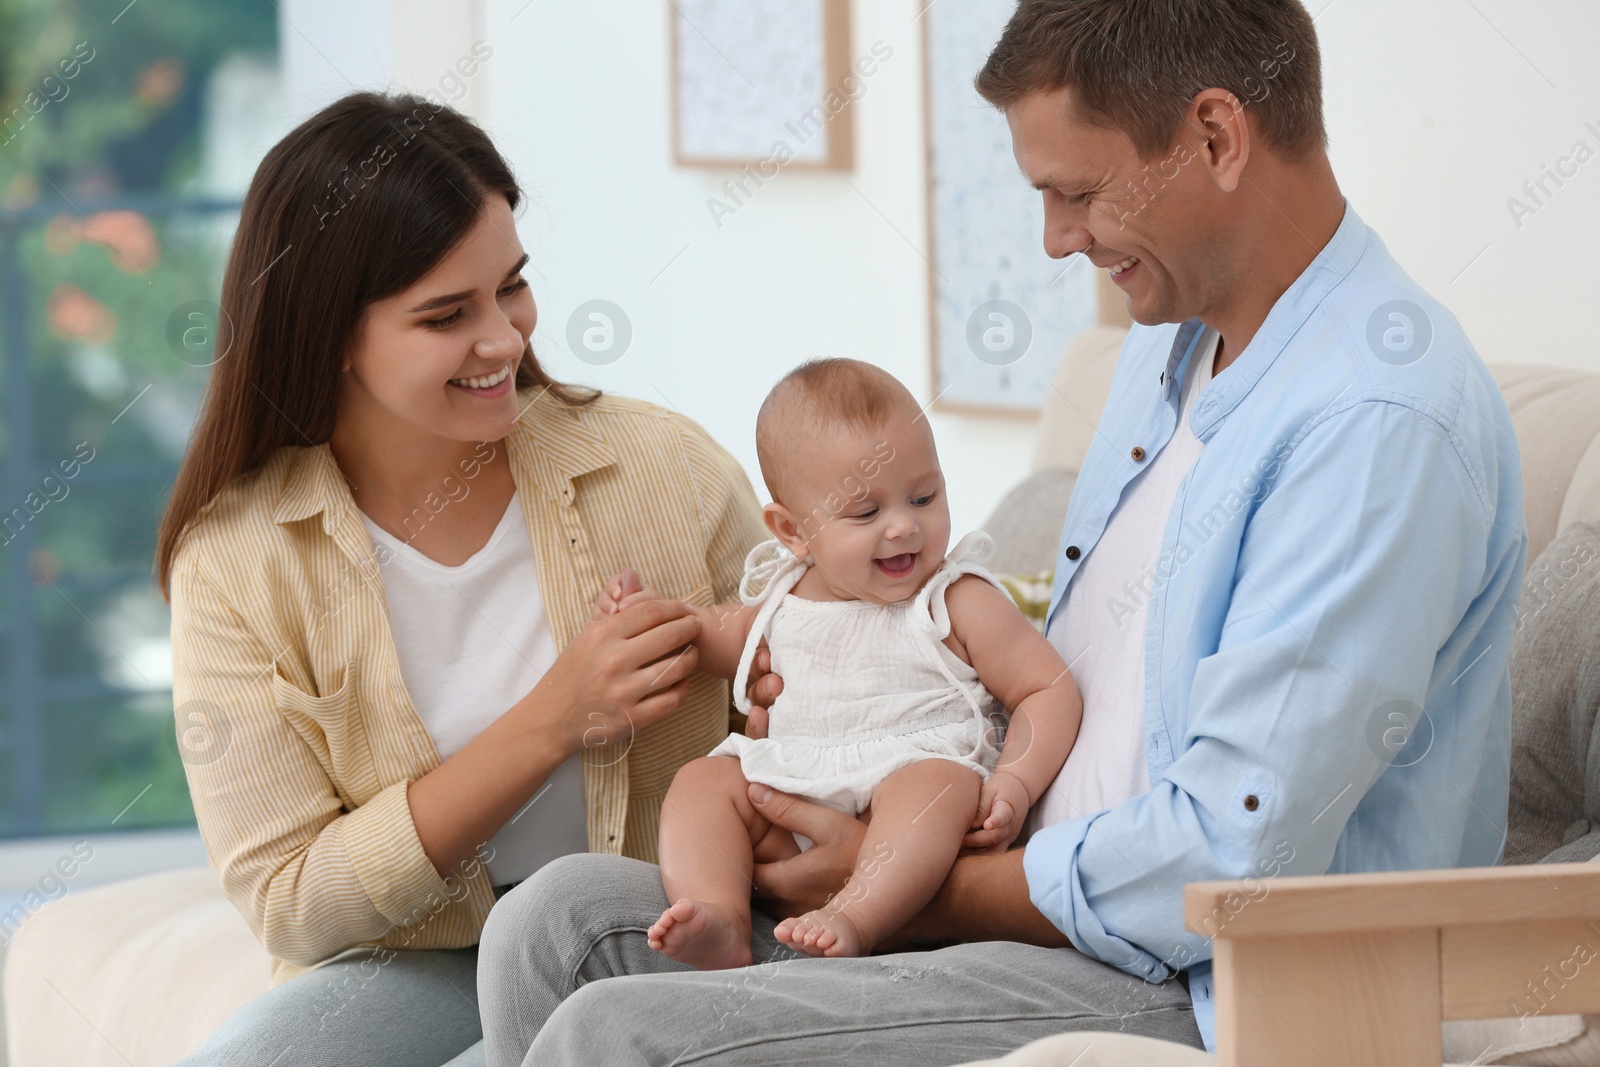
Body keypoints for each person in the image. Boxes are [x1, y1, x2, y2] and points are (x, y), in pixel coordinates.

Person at [474, 1, 1527, 1063]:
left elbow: (1234, 855)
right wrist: (859, 673)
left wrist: (900, 877)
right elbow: (1099, 662)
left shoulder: (1373, 422)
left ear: (1215, 138)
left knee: (615, 1031)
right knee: (548, 925)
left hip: (1201, 973)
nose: (1056, 238)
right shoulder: (1172, 346)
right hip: (1023, 866)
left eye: (1076, 192)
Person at [156, 91, 765, 1066]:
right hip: (422, 957)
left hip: (653, 928)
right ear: (330, 334)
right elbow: (291, 900)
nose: (505, 339)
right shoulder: (238, 558)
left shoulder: (658, 465)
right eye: (446, 315)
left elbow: (814, 657)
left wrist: (776, 686)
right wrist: (552, 718)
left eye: (511, 287)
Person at [595, 359, 1080, 966]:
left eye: (924, 496)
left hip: (908, 788)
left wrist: (1015, 779)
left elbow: (1047, 687)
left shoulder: (954, 600)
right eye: (865, 513)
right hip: (794, 792)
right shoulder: (782, 598)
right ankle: (720, 915)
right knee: (702, 782)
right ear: (793, 532)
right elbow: (703, 634)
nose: (904, 526)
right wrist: (646, 621)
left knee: (934, 786)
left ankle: (858, 916)